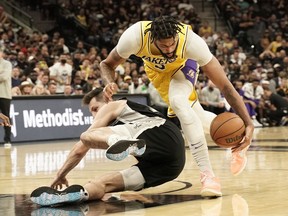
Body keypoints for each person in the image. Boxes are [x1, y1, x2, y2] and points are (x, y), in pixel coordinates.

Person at [100, 16, 254, 196]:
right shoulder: (134, 38)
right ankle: (237, 140)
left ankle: (208, 175)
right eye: (164, 46)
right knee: (197, 116)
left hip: (183, 68)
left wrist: (248, 122)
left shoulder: (191, 43)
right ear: (152, 39)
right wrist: (108, 82)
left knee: (179, 102)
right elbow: (106, 64)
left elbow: (225, 86)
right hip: (158, 75)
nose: (170, 49)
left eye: (172, 44)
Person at [30, 88, 186, 206]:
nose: (94, 115)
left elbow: (80, 148)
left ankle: (116, 141)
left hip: (161, 131)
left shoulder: (113, 105)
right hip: (172, 165)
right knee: (102, 184)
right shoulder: (130, 122)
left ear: (107, 98)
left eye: (95, 109)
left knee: (86, 136)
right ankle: (70, 195)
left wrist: (60, 174)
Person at [0, 49, 12, 147]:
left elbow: (4, 77)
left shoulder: (7, 64)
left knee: (6, 117)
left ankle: (7, 140)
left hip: (4, 94)